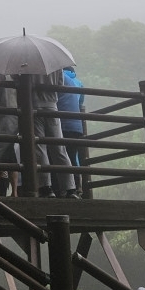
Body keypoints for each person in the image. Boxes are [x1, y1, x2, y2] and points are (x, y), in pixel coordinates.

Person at [28, 69, 77, 198]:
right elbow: (60, 85)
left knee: (40, 148)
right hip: (52, 107)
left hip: (34, 106)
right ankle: (70, 188)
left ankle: (46, 187)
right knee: (59, 148)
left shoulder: (28, 63)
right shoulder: (56, 65)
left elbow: (18, 81)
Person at [57, 66, 86, 197]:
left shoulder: (59, 77)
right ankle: (78, 188)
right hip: (77, 125)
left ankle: (63, 189)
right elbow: (80, 103)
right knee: (73, 156)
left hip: (62, 124)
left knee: (60, 155)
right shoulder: (78, 82)